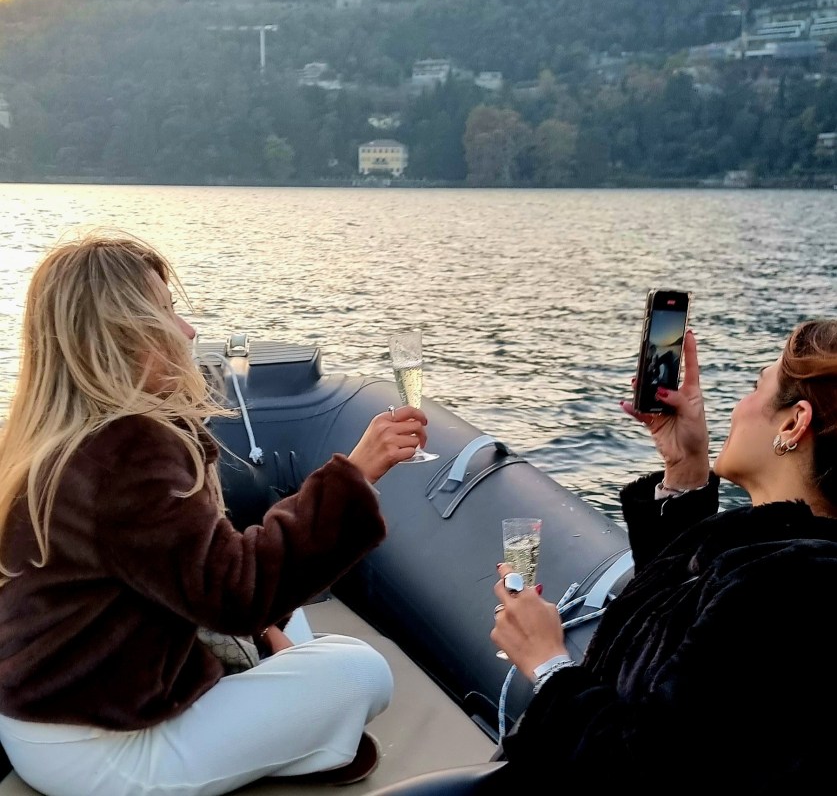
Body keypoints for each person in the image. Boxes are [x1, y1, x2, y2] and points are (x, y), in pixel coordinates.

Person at [0, 231, 429, 796]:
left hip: (53, 712)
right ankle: (293, 735)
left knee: (289, 622)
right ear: (122, 336)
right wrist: (354, 476)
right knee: (359, 671)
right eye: (166, 312)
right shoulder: (124, 454)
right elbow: (236, 593)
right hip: (104, 747)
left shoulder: (53, 440)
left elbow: (186, 572)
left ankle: (284, 719)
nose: (188, 330)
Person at [484, 320, 837, 795]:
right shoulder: (781, 552)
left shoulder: (794, 587)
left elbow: (642, 773)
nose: (738, 407)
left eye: (755, 387)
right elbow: (684, 629)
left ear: (794, 423)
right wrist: (684, 467)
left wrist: (549, 666)